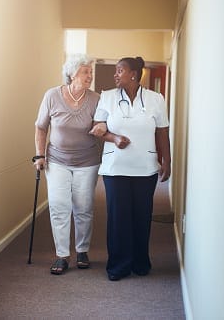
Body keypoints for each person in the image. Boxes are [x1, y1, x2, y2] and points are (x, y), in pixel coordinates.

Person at [90, 56, 171, 281]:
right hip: (115, 168)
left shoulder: (156, 99)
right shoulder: (107, 97)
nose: (116, 75)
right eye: (116, 71)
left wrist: (167, 161)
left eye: (120, 71)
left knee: (141, 216)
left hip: (145, 168)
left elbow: (162, 131)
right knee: (118, 218)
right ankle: (118, 266)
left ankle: (140, 262)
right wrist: (114, 137)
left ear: (133, 74)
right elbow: (96, 128)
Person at [33, 54, 101, 275]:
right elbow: (41, 127)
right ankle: (62, 254)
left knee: (83, 207)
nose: (89, 76)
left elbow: (102, 124)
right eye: (85, 72)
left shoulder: (96, 99)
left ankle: (82, 250)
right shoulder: (52, 96)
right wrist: (39, 155)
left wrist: (101, 127)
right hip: (57, 161)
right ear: (72, 74)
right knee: (58, 206)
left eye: (90, 72)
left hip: (87, 161)